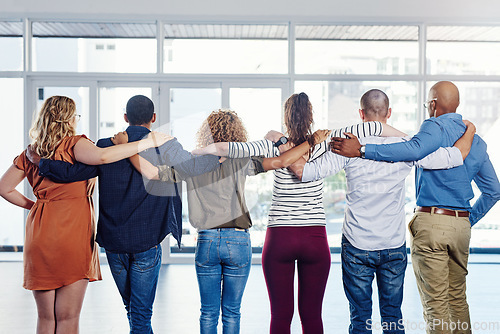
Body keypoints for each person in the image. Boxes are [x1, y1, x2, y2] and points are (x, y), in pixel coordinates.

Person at [190, 92, 406, 334]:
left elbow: (227, 148)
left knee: (281, 317)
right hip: (314, 239)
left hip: (279, 238)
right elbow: (375, 127)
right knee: (312, 317)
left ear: (285, 117)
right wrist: (407, 138)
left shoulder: (270, 144)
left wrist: (199, 152)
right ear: (311, 116)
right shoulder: (326, 141)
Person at [113, 109, 331, 334]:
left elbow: (151, 174)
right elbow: (281, 162)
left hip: (207, 240)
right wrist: (303, 142)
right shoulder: (242, 160)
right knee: (232, 312)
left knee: (208, 312)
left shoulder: (192, 162)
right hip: (238, 241)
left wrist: (127, 151)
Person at [25, 95, 220, 334]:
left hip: (115, 243)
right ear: (154, 118)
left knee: (134, 311)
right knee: (139, 314)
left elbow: (70, 173)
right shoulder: (165, 144)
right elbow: (195, 168)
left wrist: (41, 162)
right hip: (147, 241)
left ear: (125, 118)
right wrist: (223, 152)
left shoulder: (106, 145)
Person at [287, 89, 475, 334]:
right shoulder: (406, 147)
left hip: (357, 245)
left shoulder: (346, 146)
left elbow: (304, 172)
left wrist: (286, 145)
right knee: (392, 317)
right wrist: (470, 131)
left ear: (361, 114)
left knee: (360, 319)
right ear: (389, 113)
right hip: (392, 245)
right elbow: (454, 156)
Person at [331, 82, 500, 334]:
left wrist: (363, 150)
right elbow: (493, 190)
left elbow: (412, 149)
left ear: (433, 105)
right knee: (457, 298)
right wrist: (466, 220)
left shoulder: (432, 127)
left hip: (431, 223)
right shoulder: (475, 140)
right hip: (461, 226)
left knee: (436, 304)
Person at [0, 95, 171, 334]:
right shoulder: (76, 144)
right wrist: (144, 143)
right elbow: (103, 157)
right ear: (69, 118)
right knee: (68, 318)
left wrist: (36, 206)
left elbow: (4, 188)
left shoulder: (31, 152)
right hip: (73, 235)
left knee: (46, 319)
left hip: (40, 233)